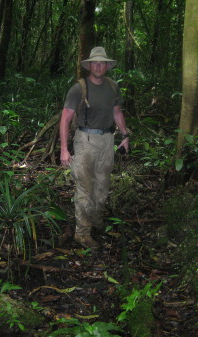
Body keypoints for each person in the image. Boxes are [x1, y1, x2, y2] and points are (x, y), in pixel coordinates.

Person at [59, 46, 130, 249]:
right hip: (85, 141)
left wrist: (125, 135)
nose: (99, 66)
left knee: (102, 186)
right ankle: (82, 233)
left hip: (107, 141)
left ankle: (97, 221)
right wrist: (64, 149)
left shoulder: (113, 86)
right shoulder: (79, 88)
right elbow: (65, 119)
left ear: (107, 65)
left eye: (102, 62)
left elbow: (117, 112)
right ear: (90, 66)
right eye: (95, 63)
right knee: (85, 187)